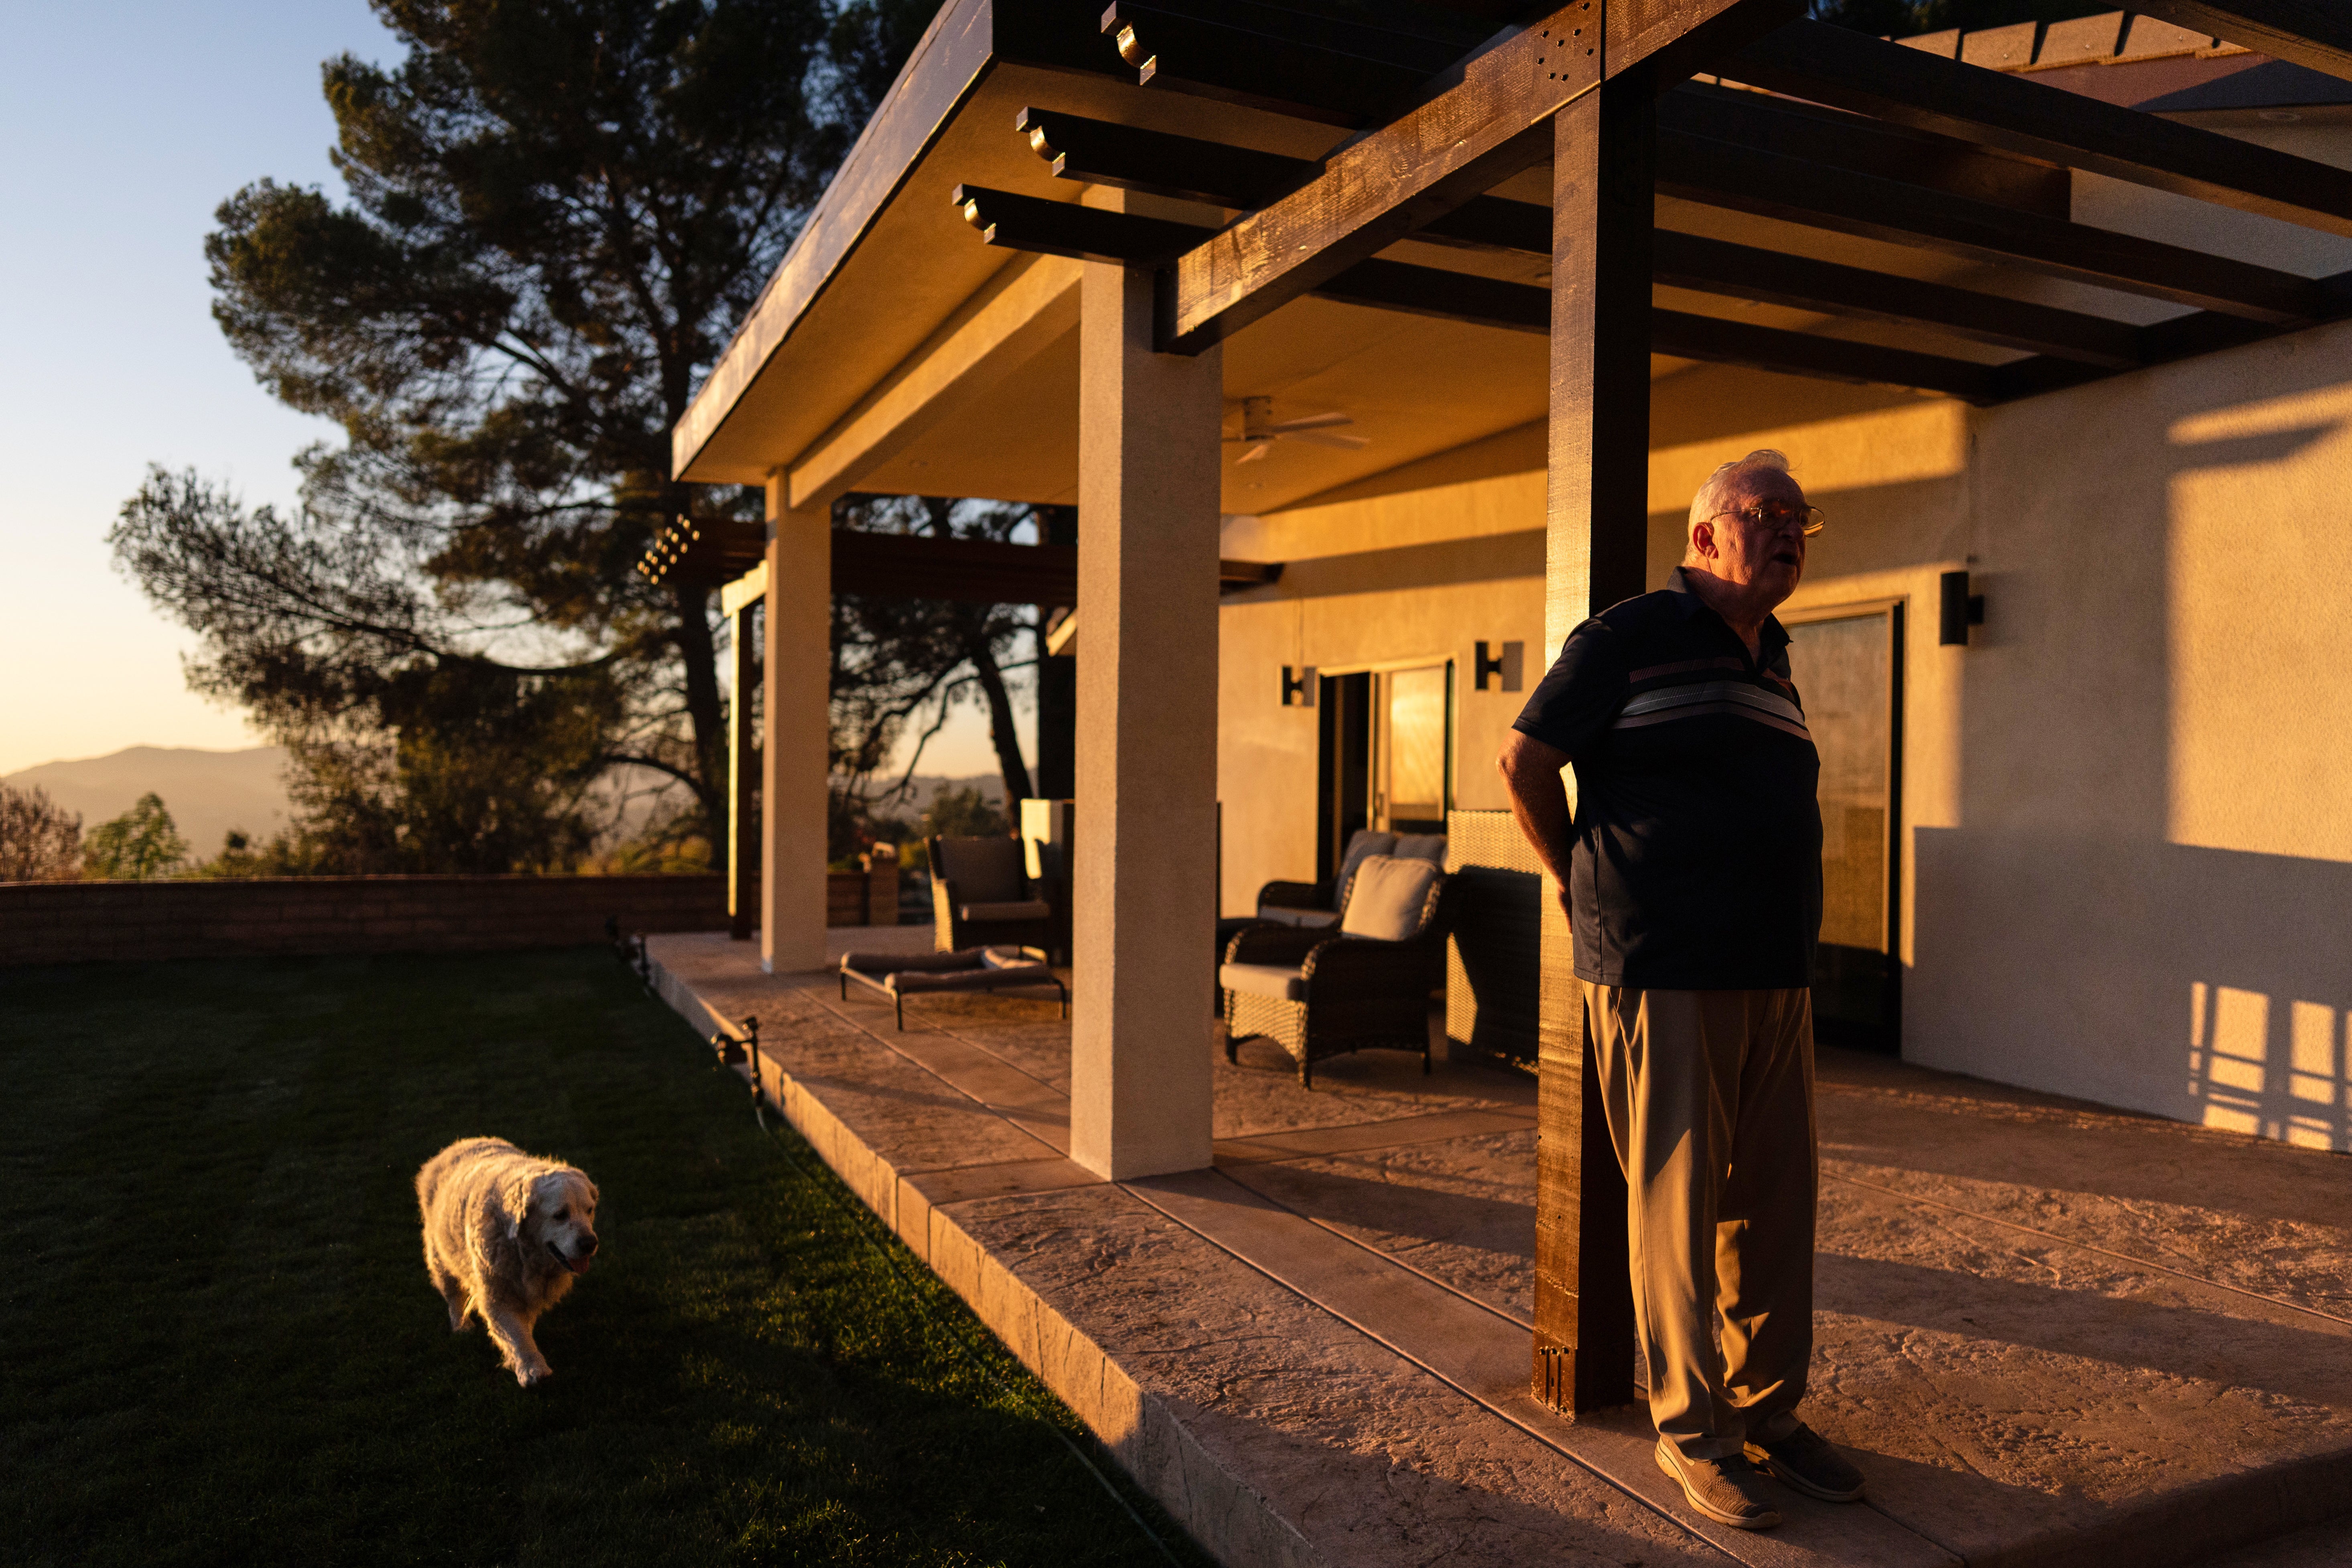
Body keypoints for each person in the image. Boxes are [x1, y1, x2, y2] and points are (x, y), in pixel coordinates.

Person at [1495, 449, 1864, 1531]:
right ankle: (1691, 1432)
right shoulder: (1629, 636)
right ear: (1706, 534)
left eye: (1804, 515)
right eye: (1770, 512)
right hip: (1665, 967)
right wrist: (1575, 882)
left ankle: (1770, 1411)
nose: (1792, 530)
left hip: (1775, 970)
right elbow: (1523, 759)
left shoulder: (1776, 657)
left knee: (1777, 1205)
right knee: (1679, 1209)